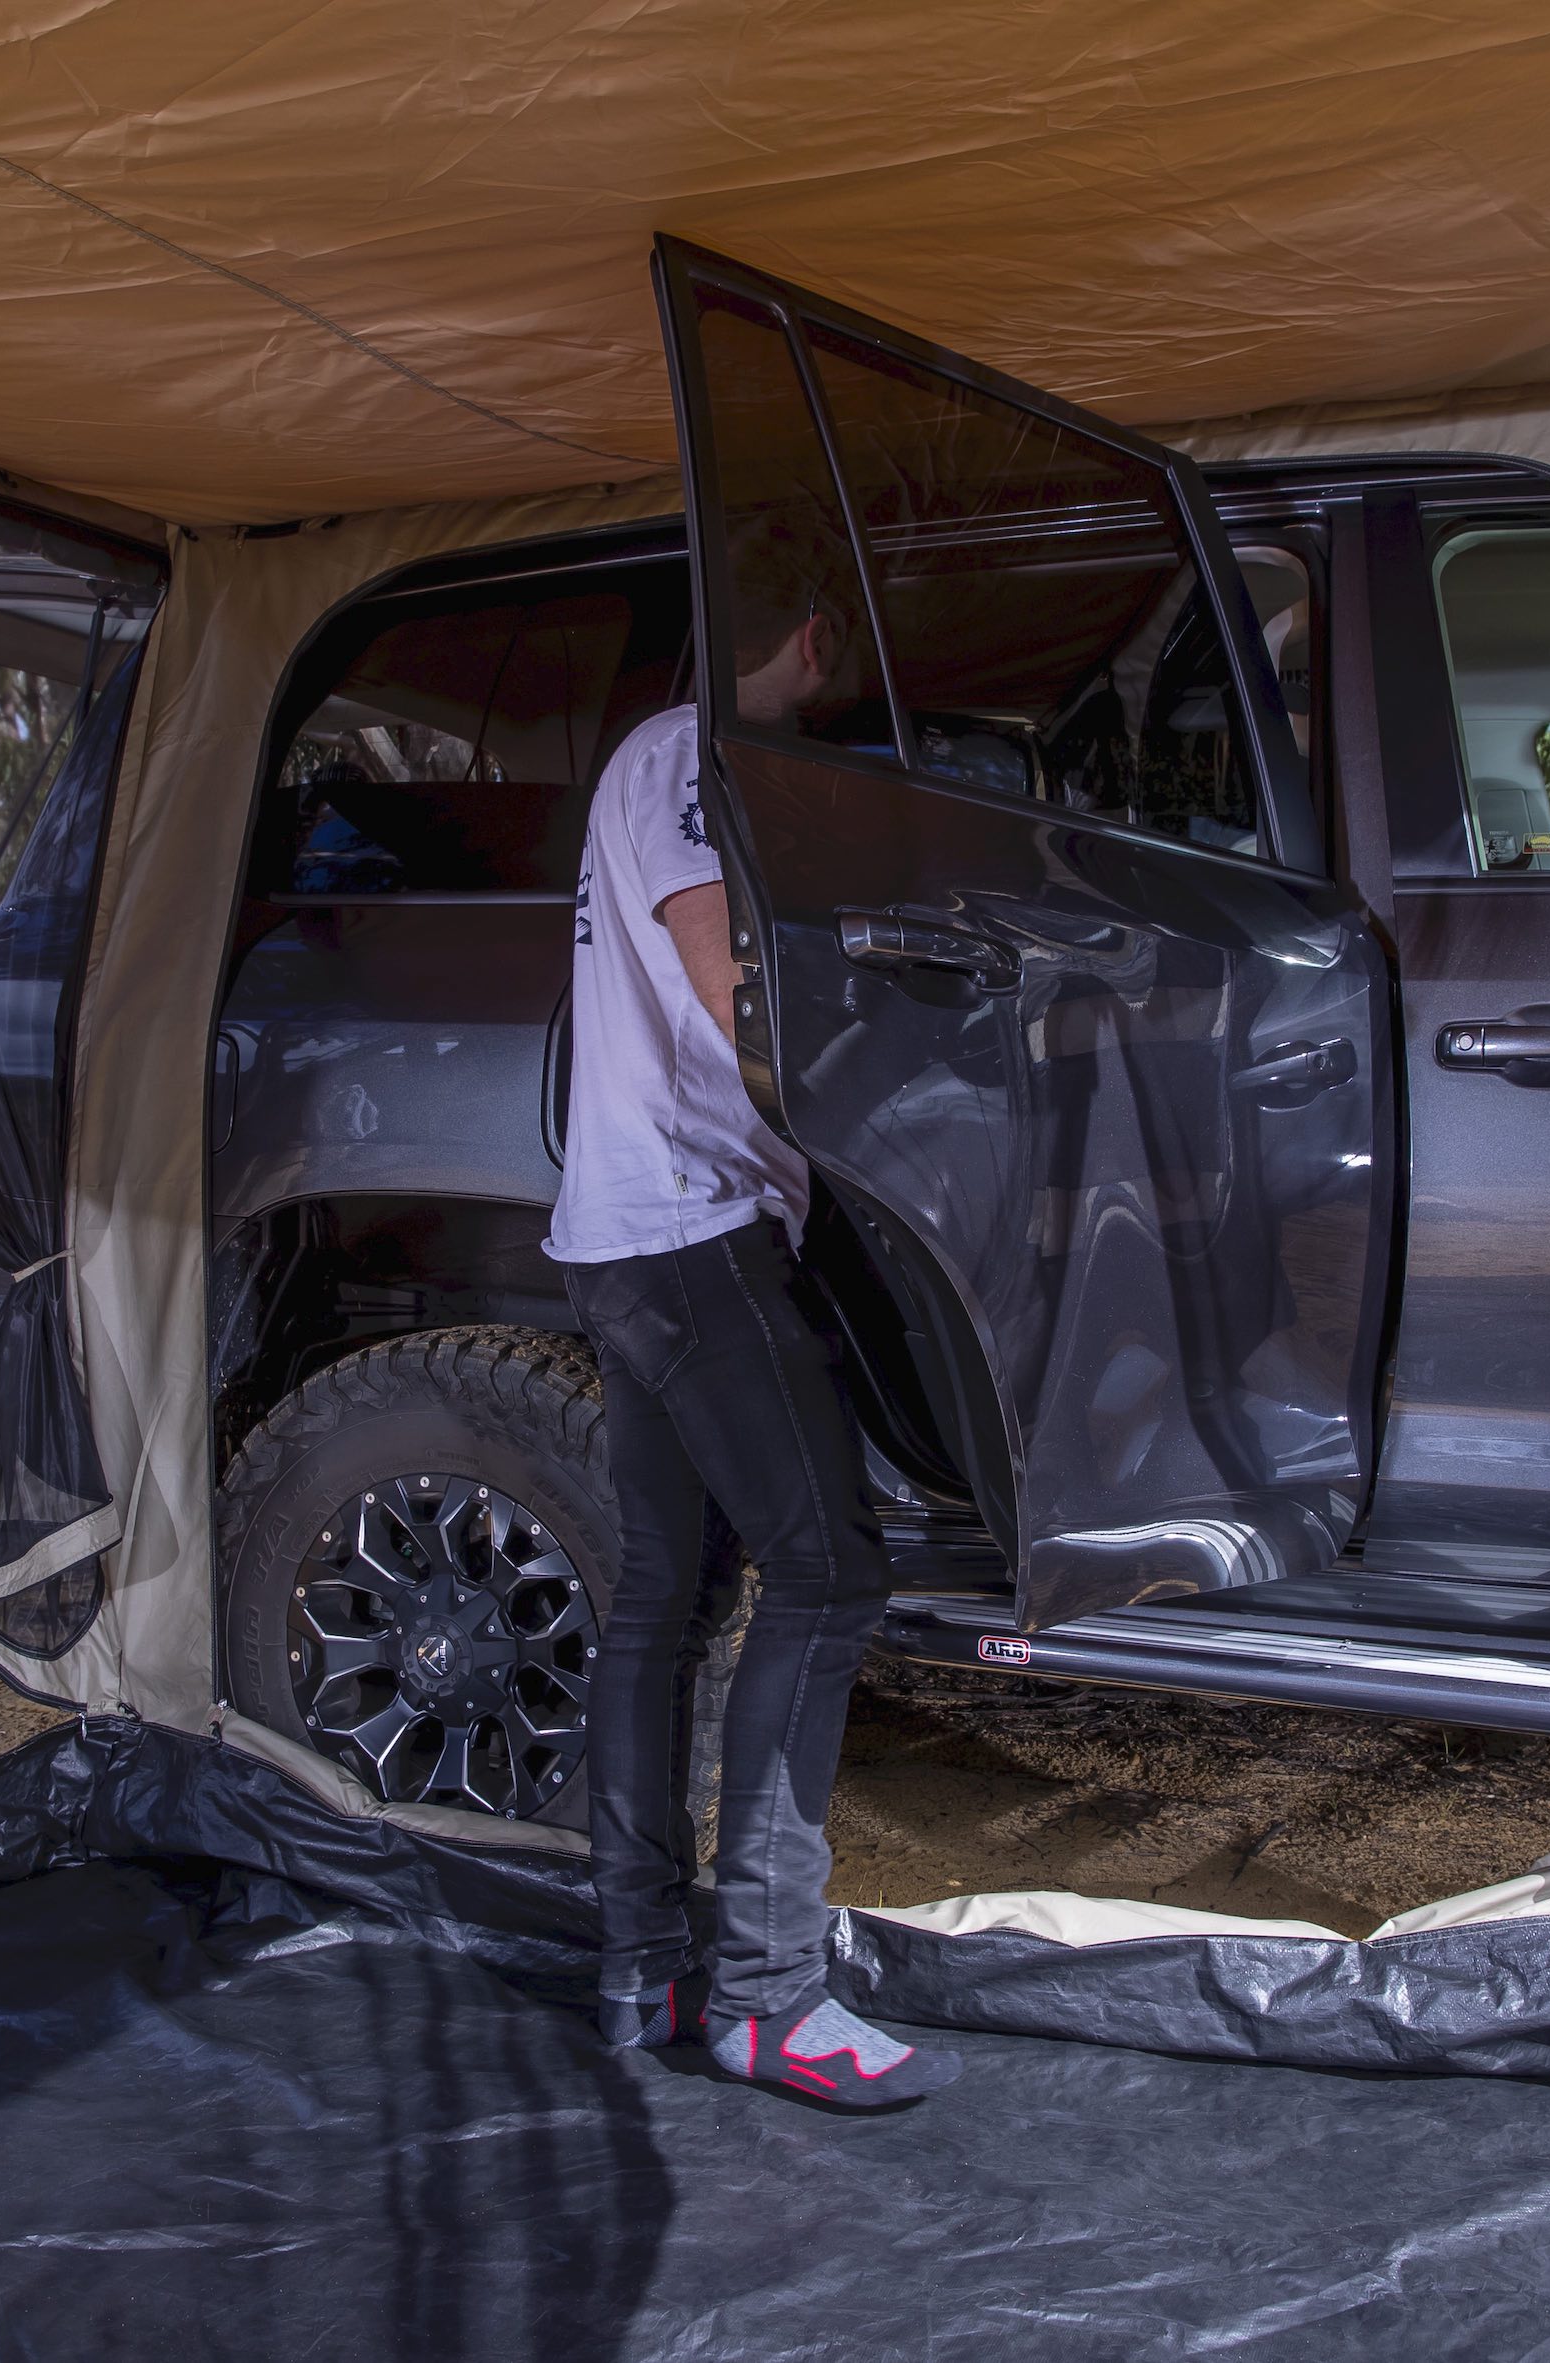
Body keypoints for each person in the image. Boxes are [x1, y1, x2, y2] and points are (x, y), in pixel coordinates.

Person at [543, 556, 961, 2112]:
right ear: (811, 631)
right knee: (831, 1569)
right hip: (690, 1231)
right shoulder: (685, 760)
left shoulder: (662, 767)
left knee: (670, 1593)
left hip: (640, 1238)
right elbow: (741, 996)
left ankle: (638, 1970)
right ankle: (773, 2002)